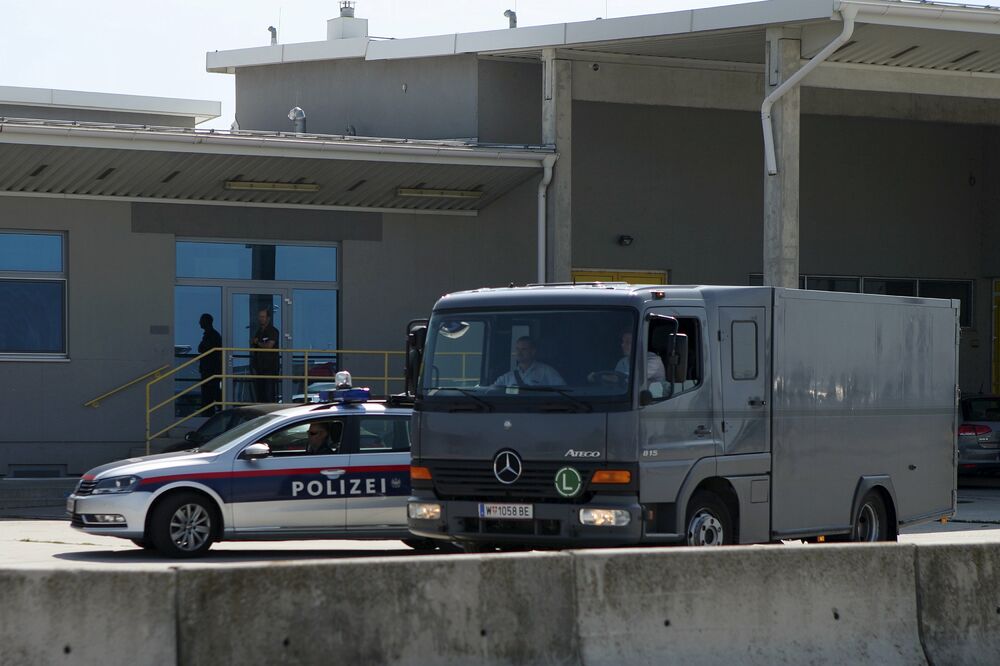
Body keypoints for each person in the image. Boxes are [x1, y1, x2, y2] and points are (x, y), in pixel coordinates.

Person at [493, 336, 564, 387]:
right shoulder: (508, 377)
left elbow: (563, 391)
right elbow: (491, 391)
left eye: (523, 349)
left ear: (533, 351)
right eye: (517, 349)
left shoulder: (547, 372)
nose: (519, 353)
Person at [251, 308, 280, 402]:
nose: (260, 319)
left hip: (269, 368)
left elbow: (269, 346)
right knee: (260, 394)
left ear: (268, 318)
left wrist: (258, 343)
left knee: (269, 394)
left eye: (263, 317)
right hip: (259, 367)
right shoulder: (259, 331)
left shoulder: (273, 331)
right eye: (259, 317)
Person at [197, 313, 223, 412]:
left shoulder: (212, 335)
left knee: (210, 393)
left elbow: (202, 348)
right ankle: (210, 411)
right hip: (210, 370)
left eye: (201, 320)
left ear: (206, 322)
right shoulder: (211, 335)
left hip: (211, 370)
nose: (199, 323)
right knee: (211, 393)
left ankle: (209, 413)